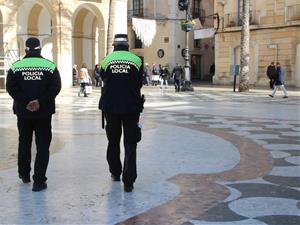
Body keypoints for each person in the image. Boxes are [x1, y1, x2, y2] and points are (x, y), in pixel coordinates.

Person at [6, 37, 61, 192]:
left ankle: (24, 174)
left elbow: (11, 87)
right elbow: (56, 87)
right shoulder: (50, 66)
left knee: (24, 142)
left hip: (23, 113)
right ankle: (39, 181)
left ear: (26, 50)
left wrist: (25, 102)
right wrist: (40, 102)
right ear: (40, 49)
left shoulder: (16, 67)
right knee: (43, 146)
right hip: (43, 113)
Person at [98, 34, 144, 192]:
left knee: (113, 141)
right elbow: (139, 83)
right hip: (131, 107)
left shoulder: (106, 60)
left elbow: (103, 78)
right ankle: (129, 181)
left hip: (111, 107)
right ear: (127, 45)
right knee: (130, 143)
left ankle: (115, 173)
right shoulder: (137, 60)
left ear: (114, 45)